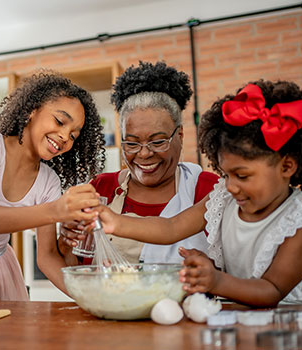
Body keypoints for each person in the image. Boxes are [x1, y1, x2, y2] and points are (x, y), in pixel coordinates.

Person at [92, 79, 302, 307]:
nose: (230, 186)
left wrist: (217, 280)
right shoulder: (225, 198)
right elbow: (171, 228)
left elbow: (272, 289)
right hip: (238, 316)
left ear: (287, 167)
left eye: (242, 176)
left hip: (288, 323)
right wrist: (115, 223)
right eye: (226, 174)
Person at [60, 61, 219, 264]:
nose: (144, 154)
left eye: (158, 141)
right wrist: (66, 243)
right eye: (132, 143)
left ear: (179, 135)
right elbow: (79, 270)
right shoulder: (101, 189)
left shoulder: (205, 189)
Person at [0, 70, 104, 300]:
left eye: (73, 135)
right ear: (32, 110)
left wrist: (88, 298)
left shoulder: (48, 181)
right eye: (60, 121)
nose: (64, 136)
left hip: (1, 266)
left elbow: (47, 256)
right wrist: (57, 210)